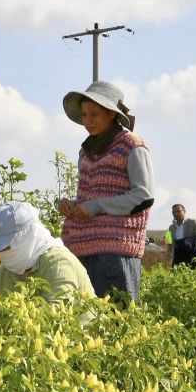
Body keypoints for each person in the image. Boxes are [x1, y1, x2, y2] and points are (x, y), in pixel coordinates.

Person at [58, 81, 154, 301]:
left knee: (116, 318)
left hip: (115, 252)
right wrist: (74, 206)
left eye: (94, 115)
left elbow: (144, 197)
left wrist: (94, 207)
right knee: (85, 319)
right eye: (84, 115)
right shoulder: (86, 151)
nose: (87, 121)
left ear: (112, 114)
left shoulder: (132, 146)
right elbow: (92, 196)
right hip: (82, 249)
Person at [0, 203, 94, 319]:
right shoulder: (3, 274)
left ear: (26, 237)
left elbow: (56, 314)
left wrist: (0, 316)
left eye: (5, 246)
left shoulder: (59, 262)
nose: (0, 253)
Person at [167, 203, 196, 267]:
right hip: (178, 255)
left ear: (184, 211)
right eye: (174, 212)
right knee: (177, 271)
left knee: (195, 271)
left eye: (178, 211)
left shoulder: (193, 222)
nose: (176, 213)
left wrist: (188, 244)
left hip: (193, 255)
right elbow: (173, 243)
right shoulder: (171, 227)